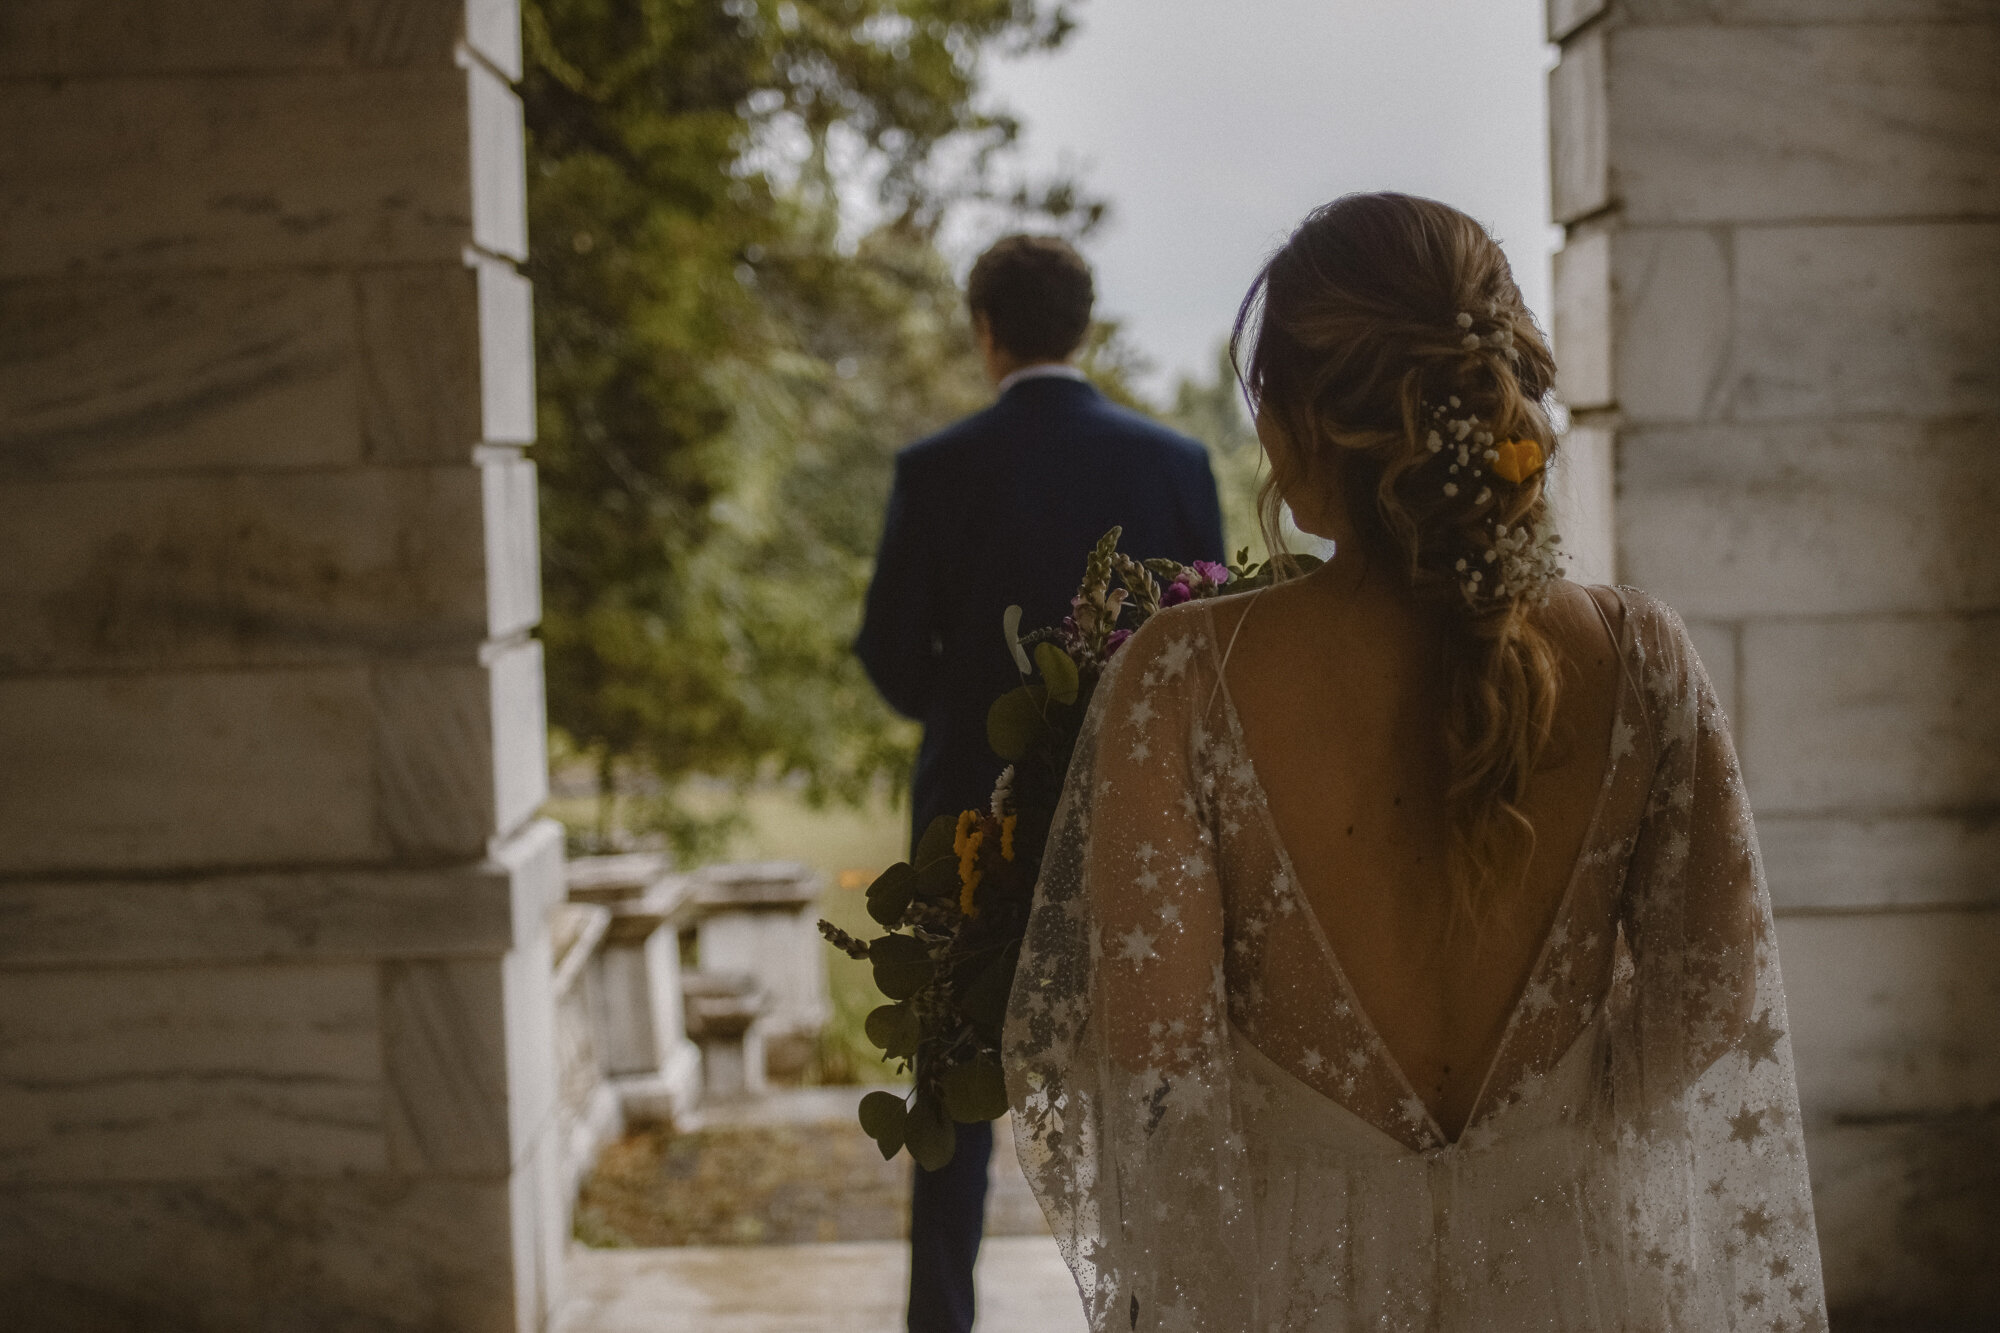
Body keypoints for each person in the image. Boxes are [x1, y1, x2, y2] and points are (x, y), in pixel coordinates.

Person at [1002, 194, 1827, 1330]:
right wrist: (1553, 1133)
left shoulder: (1180, 680)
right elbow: (1712, 989)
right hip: (1572, 1259)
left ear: (1303, 421)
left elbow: (1150, 1060)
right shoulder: (1639, 656)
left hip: (1286, 1274)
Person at [856, 233, 1226, 1333]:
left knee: (950, 1103)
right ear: (1084, 326)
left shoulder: (934, 470)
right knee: (1147, 1091)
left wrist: (975, 722)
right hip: (1138, 816)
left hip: (962, 820)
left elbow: (883, 649)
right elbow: (1200, 648)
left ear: (985, 330)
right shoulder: (1173, 464)